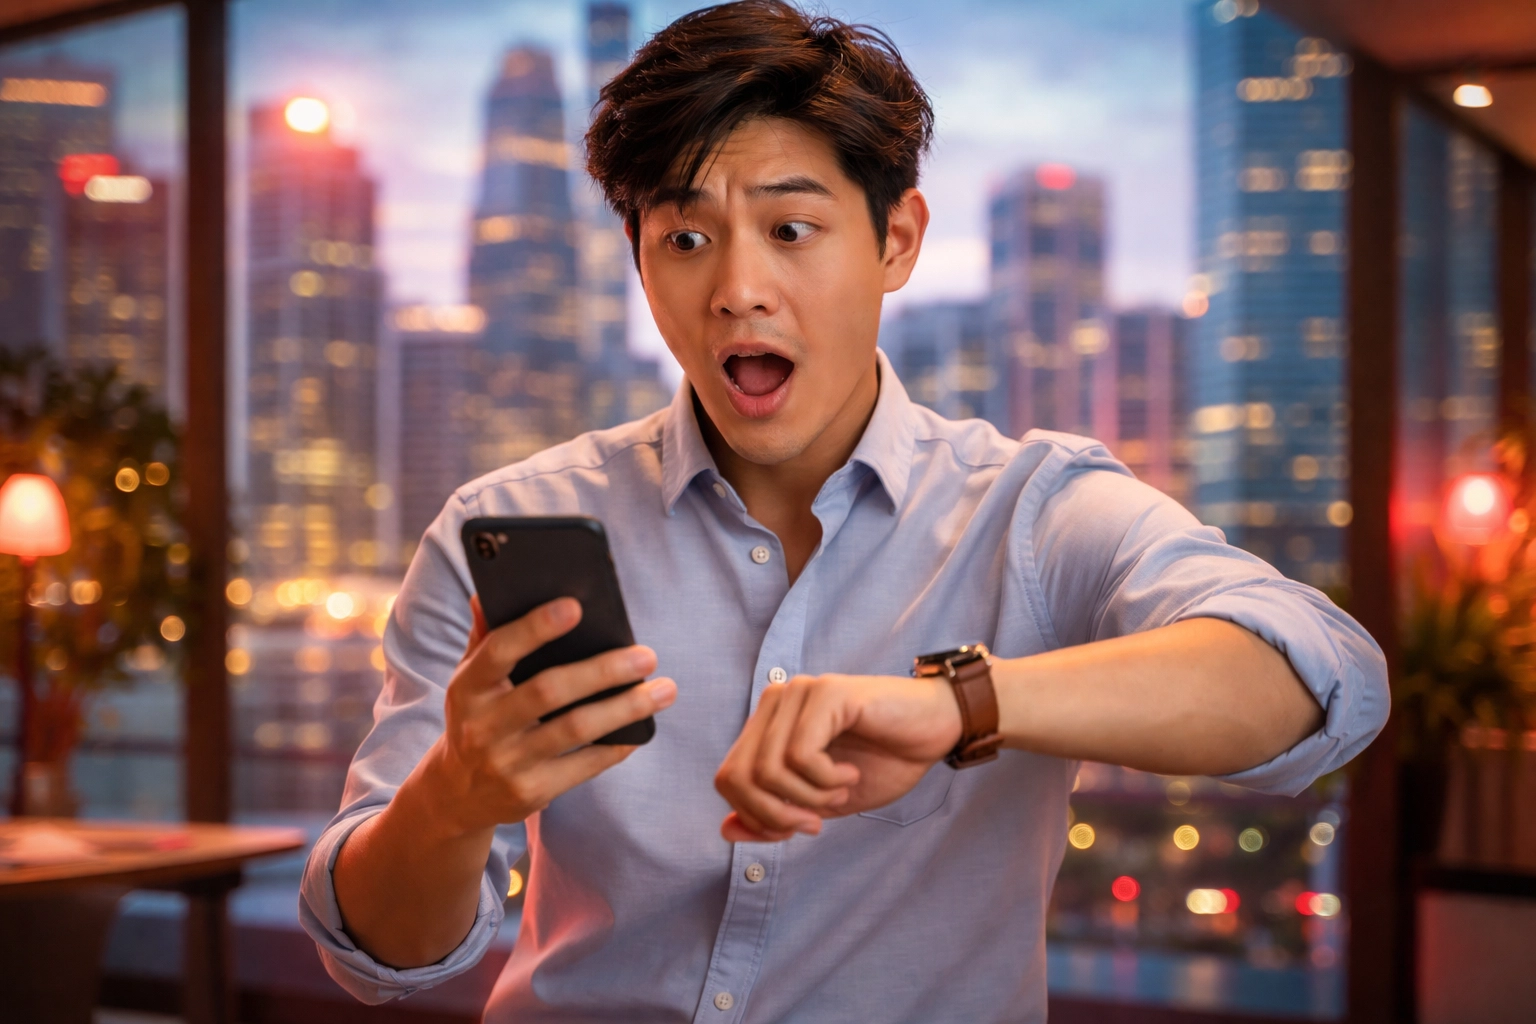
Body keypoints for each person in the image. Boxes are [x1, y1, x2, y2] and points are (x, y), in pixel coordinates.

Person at [300, 2, 1388, 1020]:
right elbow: (374, 957)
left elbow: (1320, 674)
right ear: (638, 258)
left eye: (791, 229)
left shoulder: (1031, 511)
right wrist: (451, 798)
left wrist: (960, 704)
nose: (736, 287)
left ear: (897, 241)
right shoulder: (503, 525)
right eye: (684, 238)